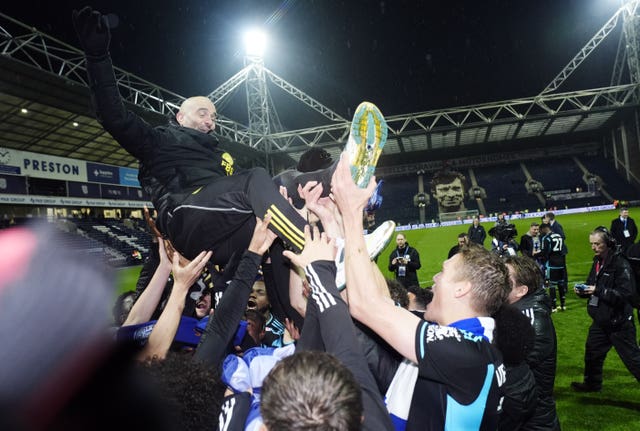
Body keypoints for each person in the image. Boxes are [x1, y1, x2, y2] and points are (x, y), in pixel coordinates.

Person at [72, 7, 387, 266]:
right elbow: (114, 118)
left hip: (226, 233)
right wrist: (98, 58)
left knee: (284, 180)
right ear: (180, 117)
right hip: (185, 219)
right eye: (203, 114)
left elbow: (254, 192)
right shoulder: (159, 140)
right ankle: (327, 252)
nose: (211, 120)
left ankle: (343, 173)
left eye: (214, 116)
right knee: (254, 178)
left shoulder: (219, 158)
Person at [331, 156, 509, 430]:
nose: (435, 278)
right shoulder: (465, 342)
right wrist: (339, 223)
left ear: (462, 289)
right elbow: (382, 301)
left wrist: (352, 213)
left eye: (444, 272)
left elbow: (366, 305)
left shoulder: (466, 351)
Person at [571, 226, 640, 392]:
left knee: (634, 361)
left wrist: (597, 290)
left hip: (619, 323)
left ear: (608, 243)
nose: (593, 247)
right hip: (601, 320)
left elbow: (625, 295)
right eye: (591, 244)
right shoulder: (597, 261)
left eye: (597, 244)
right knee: (592, 354)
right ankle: (592, 384)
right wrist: (584, 291)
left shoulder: (620, 264)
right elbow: (592, 284)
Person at [504, 256, 561, 430]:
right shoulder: (516, 310)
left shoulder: (529, 318)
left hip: (531, 421)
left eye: (504, 279)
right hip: (521, 414)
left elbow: (504, 369)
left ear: (521, 290)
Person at [540, 223, 567, 312]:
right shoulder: (558, 236)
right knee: (561, 284)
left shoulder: (546, 238)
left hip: (552, 263)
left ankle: (554, 306)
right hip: (561, 263)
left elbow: (545, 252)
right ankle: (563, 305)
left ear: (544, 229)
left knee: (551, 285)